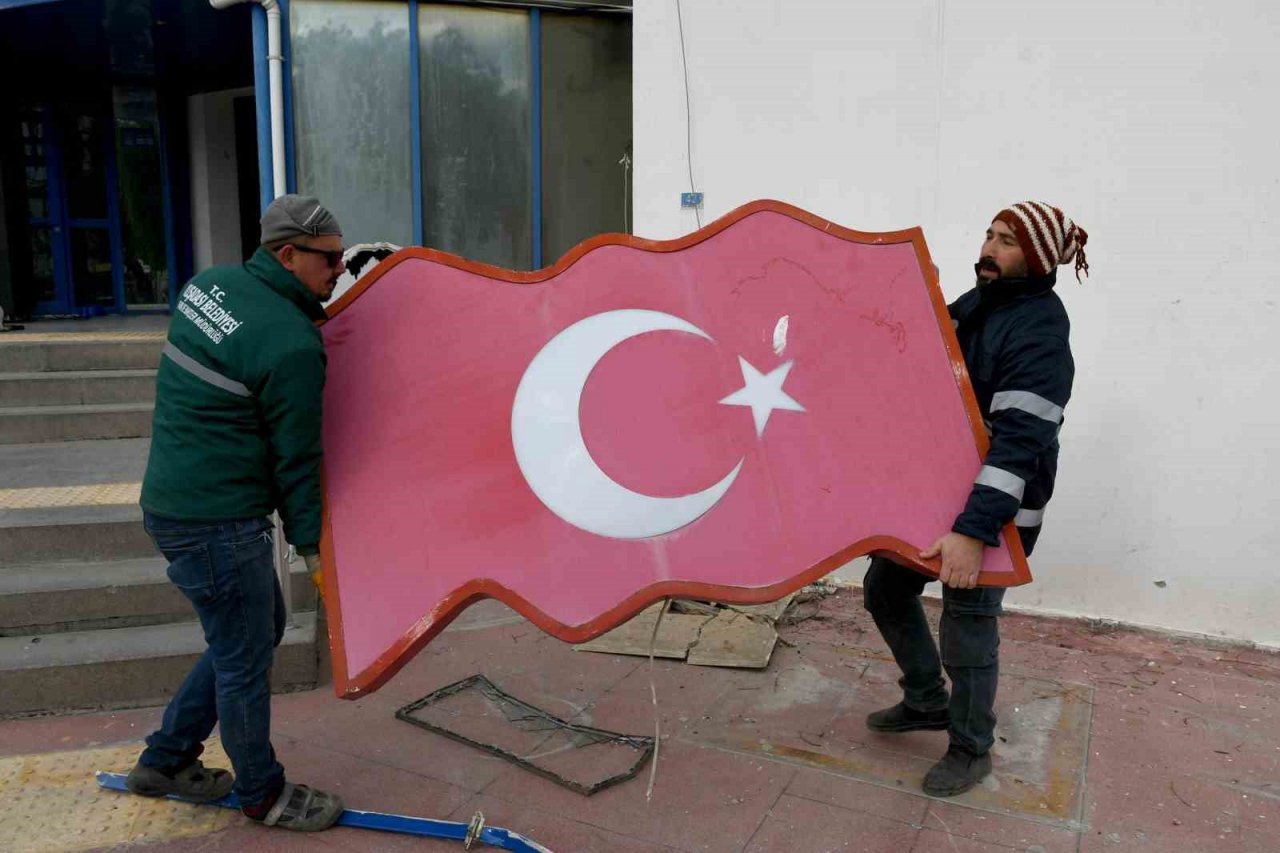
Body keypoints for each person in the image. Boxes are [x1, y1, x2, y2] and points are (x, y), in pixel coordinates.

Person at [126, 195, 347, 831]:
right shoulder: (292, 343)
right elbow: (297, 459)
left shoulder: (207, 287)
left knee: (249, 634)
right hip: (218, 523)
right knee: (244, 659)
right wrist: (313, 548)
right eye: (330, 259)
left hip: (171, 504)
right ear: (289, 255)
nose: (339, 270)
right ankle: (263, 794)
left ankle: (165, 758)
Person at [863, 201, 1088, 797]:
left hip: (995, 512)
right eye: (989, 235)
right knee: (886, 588)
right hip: (938, 495)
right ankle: (925, 701)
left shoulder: (1040, 333)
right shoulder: (981, 302)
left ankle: (970, 747)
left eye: (1007, 241)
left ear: (1036, 257)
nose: (989, 248)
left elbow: (1018, 444)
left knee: (967, 625)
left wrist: (973, 531)